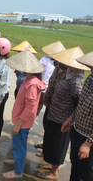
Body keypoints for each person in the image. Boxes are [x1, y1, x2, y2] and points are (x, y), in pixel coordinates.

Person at [39, 47, 88, 179]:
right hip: (54, 114)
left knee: (58, 146)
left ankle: (54, 172)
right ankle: (52, 165)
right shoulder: (68, 74)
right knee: (51, 143)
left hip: (62, 119)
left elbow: (77, 101)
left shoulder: (76, 80)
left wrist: (70, 119)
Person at [2, 50, 46, 179]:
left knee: (20, 146)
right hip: (20, 120)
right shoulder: (29, 78)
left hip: (23, 122)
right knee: (17, 144)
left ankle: (18, 171)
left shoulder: (32, 83)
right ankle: (17, 162)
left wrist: (18, 125)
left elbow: (30, 107)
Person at [61, 51, 93, 181]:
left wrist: (88, 144)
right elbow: (81, 103)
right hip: (77, 129)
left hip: (88, 137)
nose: (91, 71)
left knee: (86, 171)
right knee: (74, 163)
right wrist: (71, 118)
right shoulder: (90, 80)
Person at [33, 41, 66, 156]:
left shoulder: (63, 68)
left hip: (55, 101)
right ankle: (46, 143)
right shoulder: (52, 64)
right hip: (47, 95)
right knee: (44, 120)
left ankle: (47, 148)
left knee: (50, 124)